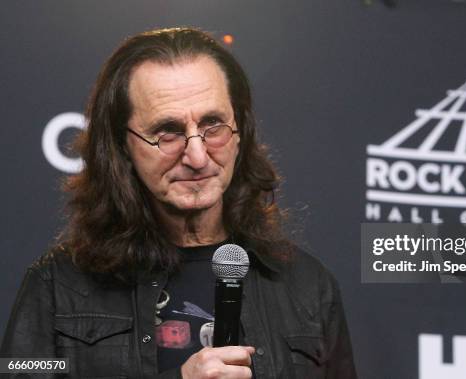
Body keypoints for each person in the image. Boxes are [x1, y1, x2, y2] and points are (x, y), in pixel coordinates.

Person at [1, 27, 357, 379]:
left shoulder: (309, 287)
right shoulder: (57, 286)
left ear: (240, 131)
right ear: (122, 146)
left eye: (213, 125)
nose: (198, 156)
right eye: (167, 132)